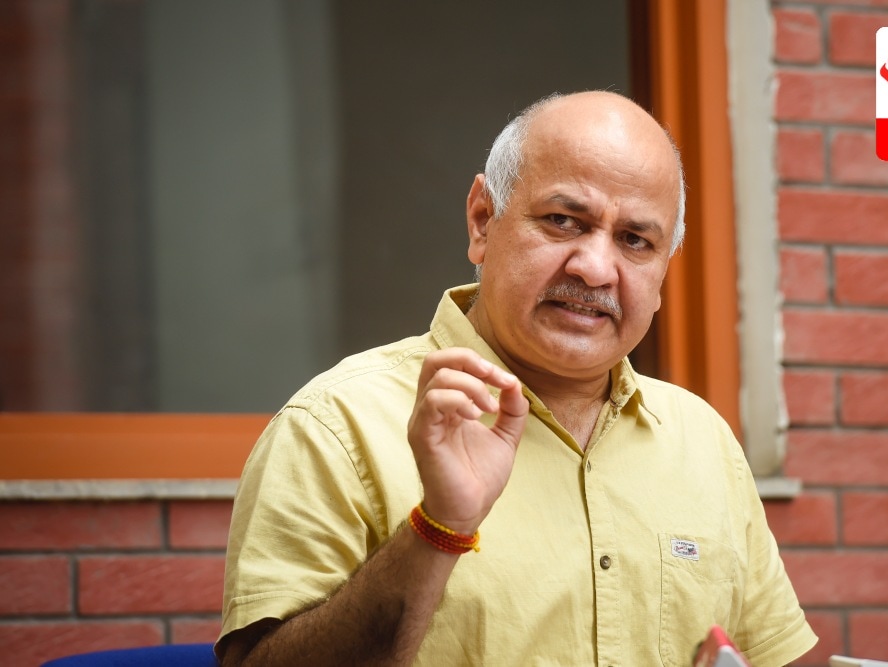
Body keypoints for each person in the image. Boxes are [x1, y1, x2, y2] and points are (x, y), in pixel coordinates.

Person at [218, 90, 818, 666]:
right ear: (483, 221)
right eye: (563, 221)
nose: (595, 268)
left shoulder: (703, 440)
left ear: (663, 272)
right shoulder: (335, 426)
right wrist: (438, 530)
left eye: (635, 240)